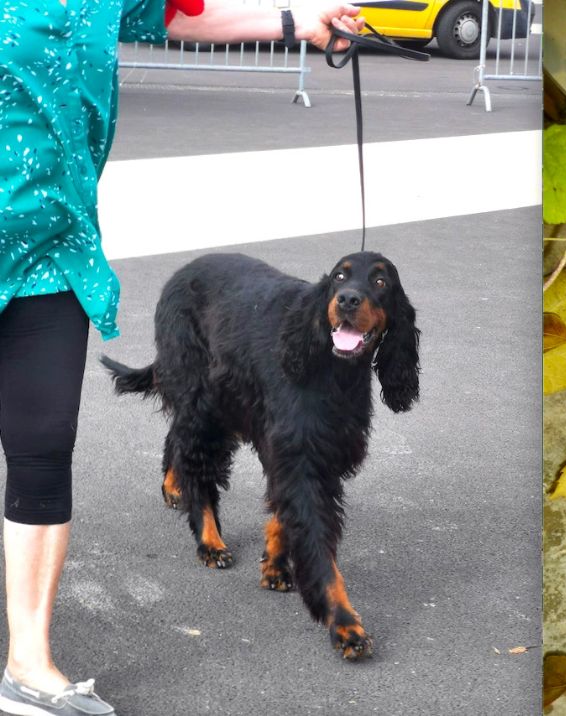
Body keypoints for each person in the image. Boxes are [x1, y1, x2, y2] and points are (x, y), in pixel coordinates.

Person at [0, 2, 364, 714]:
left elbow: (182, 13)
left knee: (43, 450)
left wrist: (299, 22)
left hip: (52, 258)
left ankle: (28, 667)